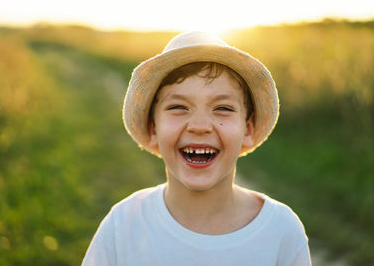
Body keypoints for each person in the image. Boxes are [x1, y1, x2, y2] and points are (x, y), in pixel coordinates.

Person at [82, 31, 311, 266]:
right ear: (153, 128)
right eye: (179, 107)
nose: (200, 127)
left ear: (248, 129)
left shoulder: (281, 231)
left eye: (223, 108)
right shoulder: (123, 226)